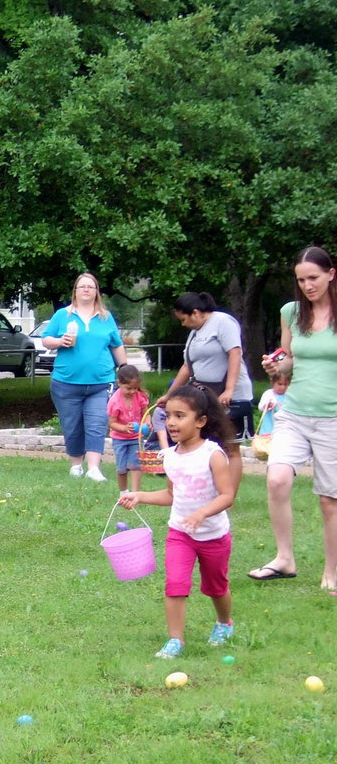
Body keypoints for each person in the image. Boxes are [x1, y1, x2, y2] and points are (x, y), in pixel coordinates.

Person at [120, 384, 237, 659]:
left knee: (216, 586)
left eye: (180, 416)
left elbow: (227, 495)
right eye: (169, 416)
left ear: (200, 421)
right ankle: (175, 640)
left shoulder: (213, 455)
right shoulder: (169, 457)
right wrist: (140, 496)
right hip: (180, 534)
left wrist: (202, 513)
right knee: (175, 583)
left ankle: (224, 623)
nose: (171, 422)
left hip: (214, 535)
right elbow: (172, 494)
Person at [250, 246, 337, 587]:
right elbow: (289, 359)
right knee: (277, 479)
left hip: (332, 418)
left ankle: (332, 570)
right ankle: (284, 558)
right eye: (301, 280)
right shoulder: (291, 312)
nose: (307, 285)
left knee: (330, 499)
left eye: (314, 278)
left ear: (331, 274)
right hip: (294, 413)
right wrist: (276, 365)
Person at [42, 272, 127, 482]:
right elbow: (45, 340)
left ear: (97, 292)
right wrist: (60, 341)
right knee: (71, 425)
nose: (87, 290)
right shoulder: (63, 315)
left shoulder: (106, 317)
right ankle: (76, 465)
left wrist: (124, 369)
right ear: (76, 291)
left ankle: (94, 468)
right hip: (66, 382)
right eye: (82, 287)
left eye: (91, 286)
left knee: (97, 423)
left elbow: (116, 344)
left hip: (101, 382)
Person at [157, 291, 255, 439]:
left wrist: (229, 390)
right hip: (207, 397)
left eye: (183, 319)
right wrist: (169, 395)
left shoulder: (223, 322)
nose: (183, 324)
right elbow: (187, 367)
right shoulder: (195, 332)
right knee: (206, 443)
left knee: (230, 447)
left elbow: (234, 353)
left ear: (195, 313)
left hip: (229, 398)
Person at [107, 364, 149, 494]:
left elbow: (146, 414)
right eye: (129, 388)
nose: (132, 391)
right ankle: (124, 492)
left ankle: (135, 494)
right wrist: (124, 428)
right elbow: (112, 423)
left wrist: (147, 423)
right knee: (122, 468)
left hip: (136, 438)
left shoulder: (140, 397)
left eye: (135, 388)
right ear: (119, 383)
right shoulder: (115, 402)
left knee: (136, 466)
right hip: (119, 439)